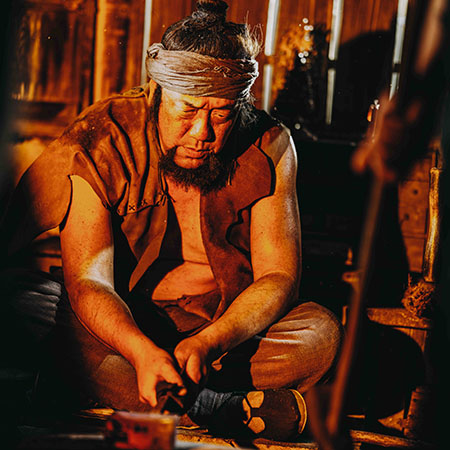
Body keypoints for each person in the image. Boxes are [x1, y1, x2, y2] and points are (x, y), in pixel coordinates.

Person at [0, 0, 342, 441]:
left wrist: (210, 342)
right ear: (159, 92)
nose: (202, 133)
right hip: (122, 323)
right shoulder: (103, 137)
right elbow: (89, 281)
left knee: (319, 335)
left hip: (219, 327)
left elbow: (279, 277)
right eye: (187, 110)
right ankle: (217, 406)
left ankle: (110, 388)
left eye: (221, 114)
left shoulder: (269, 144)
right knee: (22, 301)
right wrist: (141, 351)